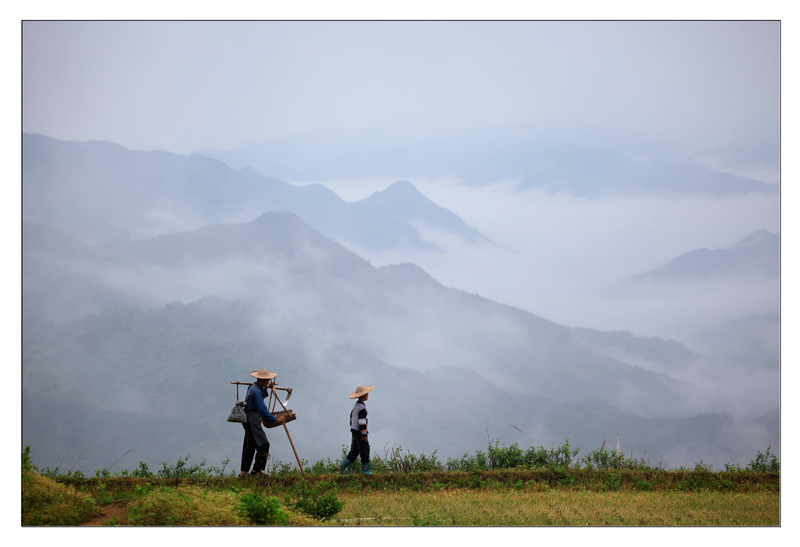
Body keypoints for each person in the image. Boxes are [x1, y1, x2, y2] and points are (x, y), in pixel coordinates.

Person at [240, 368, 286, 477]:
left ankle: (243, 473)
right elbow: (262, 409)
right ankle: (257, 471)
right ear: (263, 380)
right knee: (263, 445)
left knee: (249, 446)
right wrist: (275, 419)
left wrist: (267, 387)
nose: (268, 381)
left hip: (248, 419)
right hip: (252, 419)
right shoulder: (256, 391)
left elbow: (260, 395)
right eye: (268, 380)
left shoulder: (253, 387)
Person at [338, 384, 374, 475]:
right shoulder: (362, 408)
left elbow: (351, 418)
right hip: (359, 432)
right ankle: (365, 470)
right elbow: (362, 422)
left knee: (355, 450)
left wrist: (353, 427)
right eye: (367, 394)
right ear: (364, 396)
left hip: (354, 431)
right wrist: (364, 435)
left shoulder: (356, 406)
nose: (368, 395)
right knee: (365, 449)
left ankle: (342, 466)